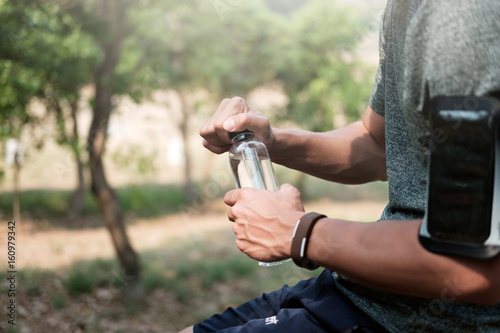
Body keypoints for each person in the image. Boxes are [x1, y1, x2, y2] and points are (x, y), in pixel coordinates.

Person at [179, 0, 500, 332]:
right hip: (360, 292)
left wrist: (300, 232)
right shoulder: (405, 8)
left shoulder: (461, 15)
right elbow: (379, 146)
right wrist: (273, 142)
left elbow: (470, 259)